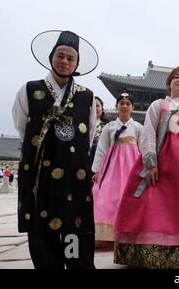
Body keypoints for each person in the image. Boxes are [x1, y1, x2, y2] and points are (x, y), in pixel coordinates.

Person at [12, 30, 98, 269]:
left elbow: (88, 135)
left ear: (77, 64)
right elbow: (23, 128)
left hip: (74, 177)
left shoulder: (86, 97)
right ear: (51, 57)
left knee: (75, 231)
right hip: (40, 176)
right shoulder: (29, 90)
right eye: (60, 55)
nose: (65, 61)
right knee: (42, 232)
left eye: (71, 58)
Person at [113, 66, 179, 268]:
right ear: (168, 83)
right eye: (175, 77)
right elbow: (149, 133)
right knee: (157, 206)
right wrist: (150, 164)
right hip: (163, 162)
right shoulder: (159, 105)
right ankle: (151, 248)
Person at [91, 93, 143, 247]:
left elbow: (143, 149)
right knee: (110, 198)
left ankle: (131, 233)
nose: (124, 106)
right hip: (113, 167)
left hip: (132, 167)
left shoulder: (139, 127)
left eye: (128, 103)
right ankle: (109, 235)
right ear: (116, 106)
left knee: (129, 198)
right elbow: (102, 149)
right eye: (121, 103)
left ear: (132, 107)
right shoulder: (110, 127)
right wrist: (96, 170)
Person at [90, 96, 110, 163]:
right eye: (92, 106)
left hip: (101, 159)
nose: (94, 108)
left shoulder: (108, 126)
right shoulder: (81, 125)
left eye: (97, 106)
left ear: (102, 108)